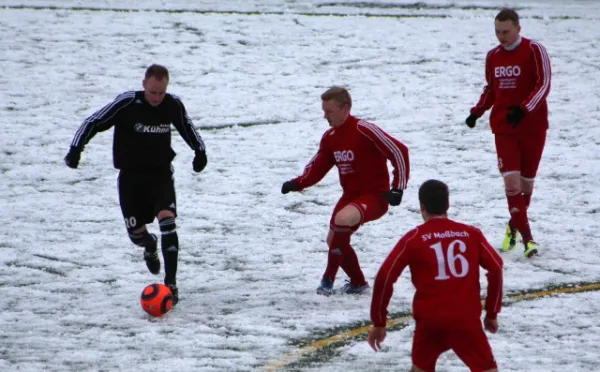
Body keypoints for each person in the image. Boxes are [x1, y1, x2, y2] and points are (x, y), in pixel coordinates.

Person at [64, 64, 207, 305]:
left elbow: (187, 126)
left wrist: (199, 151)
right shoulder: (127, 103)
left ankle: (170, 284)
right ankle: (149, 245)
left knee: (168, 219)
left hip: (160, 174)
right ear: (144, 85)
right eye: (153, 92)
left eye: (161, 93)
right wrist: (76, 149)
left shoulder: (172, 104)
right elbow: (93, 121)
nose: (157, 98)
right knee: (136, 233)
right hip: (130, 178)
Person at [281, 86, 410, 295]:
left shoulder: (364, 129)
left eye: (329, 111)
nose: (325, 116)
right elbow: (318, 167)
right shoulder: (330, 137)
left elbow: (399, 151)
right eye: (324, 111)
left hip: (375, 196)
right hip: (350, 196)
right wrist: (297, 183)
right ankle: (358, 283)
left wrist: (398, 188)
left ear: (346, 108)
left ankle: (327, 280)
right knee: (333, 240)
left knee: (341, 220)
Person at [369, 180, 503, 372]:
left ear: (421, 206)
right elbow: (496, 267)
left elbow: (384, 277)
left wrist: (379, 321)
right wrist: (491, 312)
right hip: (465, 320)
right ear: (447, 205)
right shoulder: (471, 234)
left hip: (430, 322)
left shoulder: (413, 238)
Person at [465, 8, 551, 258]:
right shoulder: (493, 56)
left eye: (506, 32)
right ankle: (528, 240)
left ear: (518, 29)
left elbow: (543, 84)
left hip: (533, 127)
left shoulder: (534, 50)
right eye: (497, 32)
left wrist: (525, 110)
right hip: (504, 128)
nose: (501, 37)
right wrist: (477, 112)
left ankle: (513, 226)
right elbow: (491, 88)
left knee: (526, 186)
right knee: (511, 181)